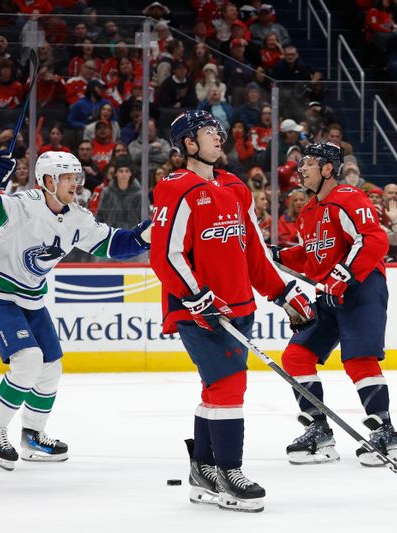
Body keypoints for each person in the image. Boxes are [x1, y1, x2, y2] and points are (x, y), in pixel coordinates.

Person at [149, 110, 314, 512]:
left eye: (219, 131)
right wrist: (196, 296)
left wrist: (281, 292)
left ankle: (203, 471)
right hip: (198, 311)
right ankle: (229, 472)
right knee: (228, 388)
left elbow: (254, 250)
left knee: (216, 389)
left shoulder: (235, 186)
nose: (219, 137)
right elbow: (164, 255)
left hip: (240, 307)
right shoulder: (176, 188)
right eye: (209, 133)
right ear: (189, 143)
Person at [0, 151, 151, 471]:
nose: (75, 183)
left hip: (31, 298)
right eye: (67, 177)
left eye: (75, 176)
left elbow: (112, 245)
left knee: (51, 367)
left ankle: (32, 436)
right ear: (47, 181)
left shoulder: (77, 218)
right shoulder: (22, 204)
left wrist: (146, 235)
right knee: (28, 361)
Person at [271, 142, 397, 468]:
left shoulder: (349, 198)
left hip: (362, 288)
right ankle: (318, 429)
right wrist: (275, 254)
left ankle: (385, 433)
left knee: (359, 360)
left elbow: (374, 239)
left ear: (328, 168)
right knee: (296, 356)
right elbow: (310, 256)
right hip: (329, 294)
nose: (301, 169)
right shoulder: (308, 212)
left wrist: (343, 275)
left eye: (309, 164)